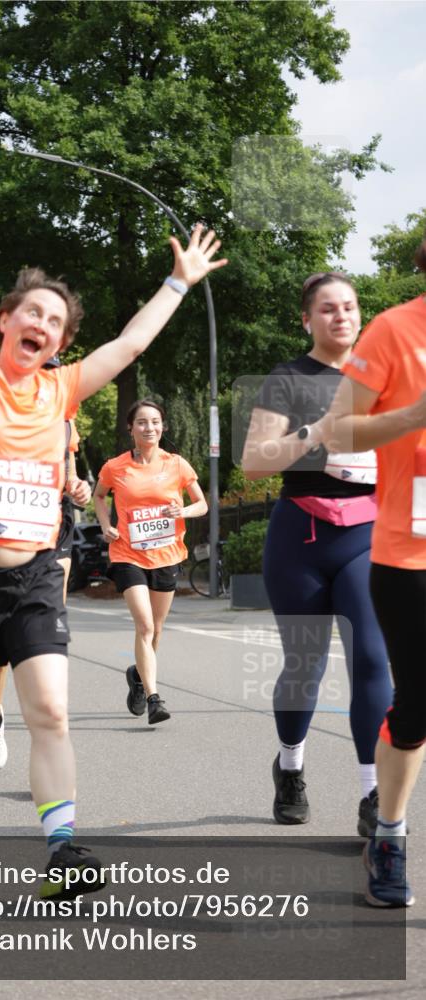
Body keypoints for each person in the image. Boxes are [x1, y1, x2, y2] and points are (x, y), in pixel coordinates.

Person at [0, 156, 227, 892]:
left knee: (49, 708)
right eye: (30, 313)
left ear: (60, 342)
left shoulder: (64, 390)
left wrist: (178, 282)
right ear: (5, 323)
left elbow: (133, 343)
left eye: (54, 320)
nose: (41, 323)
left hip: (37, 575)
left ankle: (61, 848)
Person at [241, 272, 393, 833]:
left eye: (350, 306)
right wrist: (317, 434)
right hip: (301, 535)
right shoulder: (288, 378)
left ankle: (373, 797)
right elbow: (255, 462)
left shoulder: (386, 376)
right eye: (327, 309)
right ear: (307, 319)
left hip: (369, 534)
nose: (341, 316)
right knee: (305, 664)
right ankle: (291, 765)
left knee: (373, 659)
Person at [330, 238, 426, 907]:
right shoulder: (394, 329)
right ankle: (387, 833)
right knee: (416, 709)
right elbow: (338, 431)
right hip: (409, 553)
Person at [0, 372, 91, 773]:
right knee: (4, 637)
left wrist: (80, 488)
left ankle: (47, 748)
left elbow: (69, 469)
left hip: (54, 526)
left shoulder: (64, 418)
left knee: (44, 635)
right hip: (5, 531)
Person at [94, 400, 208, 724]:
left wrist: (182, 511)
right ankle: (155, 699)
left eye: (155, 422)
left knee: (156, 628)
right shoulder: (115, 467)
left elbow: (202, 504)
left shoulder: (177, 465)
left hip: (166, 554)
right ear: (130, 428)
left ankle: (139, 677)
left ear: (163, 427)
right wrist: (105, 525)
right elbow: (99, 496)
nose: (149, 428)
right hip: (127, 553)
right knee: (144, 625)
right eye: (142, 422)